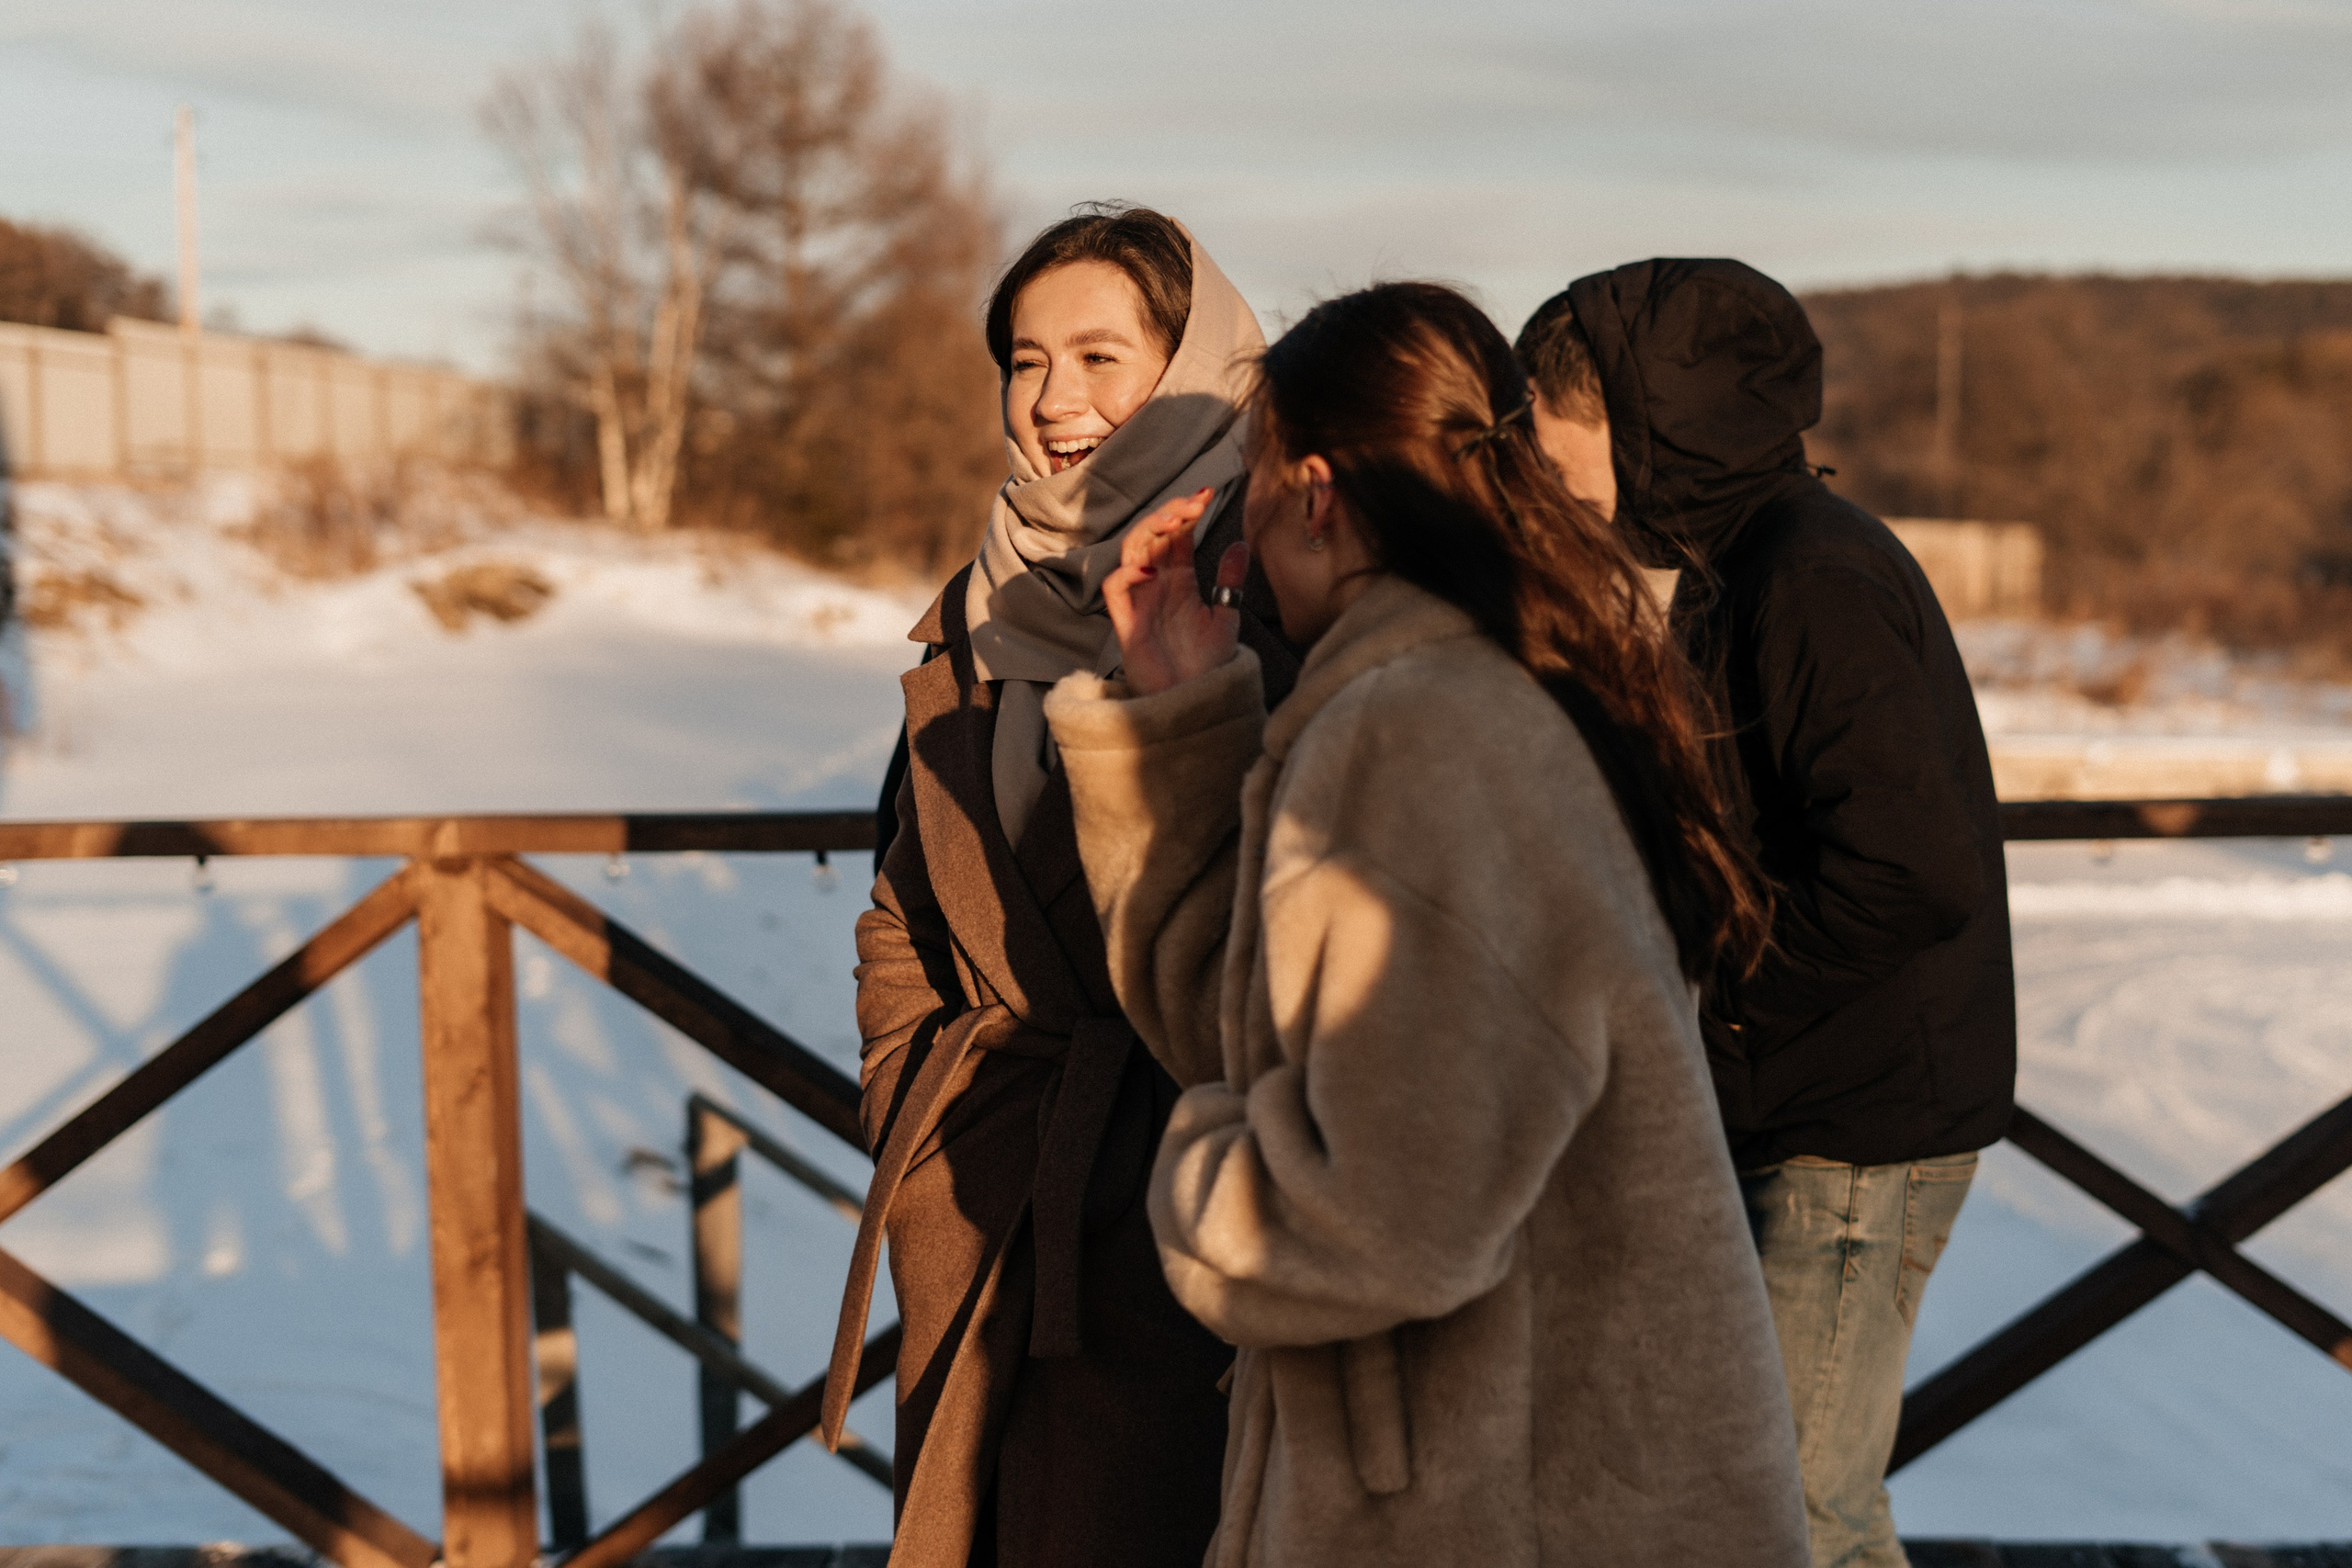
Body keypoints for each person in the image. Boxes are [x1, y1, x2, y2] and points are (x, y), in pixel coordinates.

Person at [1040, 281, 1811, 1568]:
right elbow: (1261, 1038)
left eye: (1256, 476)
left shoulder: (1426, 728)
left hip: (1507, 1515)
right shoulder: (1475, 683)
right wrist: (1179, 722)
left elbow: (1380, 1215)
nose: (1237, 527)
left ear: (1320, 490)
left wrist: (1183, 1174)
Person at [1514, 259, 2017, 1568]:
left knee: (1798, 1517)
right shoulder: (1739, 567)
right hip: (1802, 1108)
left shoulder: (1813, 577)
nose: (1541, 468)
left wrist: (1722, 1000)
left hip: (1853, 1134)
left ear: (1645, 422)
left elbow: (1913, 871)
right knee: (1751, 1503)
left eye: (1555, 434)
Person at [818, 205, 1298, 1568]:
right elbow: (907, 899)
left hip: (1204, 1229)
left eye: (1100, 356)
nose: (1052, 402)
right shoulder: (982, 609)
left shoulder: (1283, 593)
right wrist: (912, 1088)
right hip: (991, 1200)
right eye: (1025, 361)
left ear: (1204, 367)